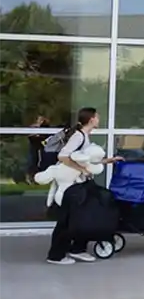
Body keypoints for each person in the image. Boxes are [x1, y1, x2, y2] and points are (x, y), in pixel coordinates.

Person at [46, 108, 122, 265]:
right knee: (66, 221)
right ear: (92, 119)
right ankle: (55, 255)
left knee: (88, 213)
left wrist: (107, 161)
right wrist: (82, 170)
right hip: (71, 186)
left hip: (82, 183)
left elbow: (84, 159)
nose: (99, 120)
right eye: (97, 117)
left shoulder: (85, 136)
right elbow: (63, 156)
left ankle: (78, 248)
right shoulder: (78, 136)